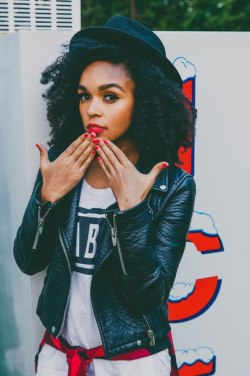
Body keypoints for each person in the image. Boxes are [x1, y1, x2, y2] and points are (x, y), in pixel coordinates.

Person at [13, 15, 196, 376]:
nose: (92, 109)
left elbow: (148, 296)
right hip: (59, 358)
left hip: (134, 362)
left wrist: (132, 210)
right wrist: (47, 198)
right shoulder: (63, 168)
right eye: (85, 96)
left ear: (143, 102)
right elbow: (28, 262)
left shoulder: (172, 186)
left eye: (109, 96)